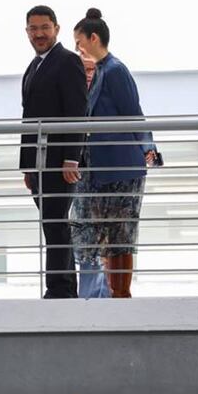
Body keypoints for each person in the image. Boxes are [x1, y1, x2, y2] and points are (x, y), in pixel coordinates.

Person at [72, 8, 157, 298]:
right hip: (103, 169)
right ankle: (112, 295)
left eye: (79, 41)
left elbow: (133, 113)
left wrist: (148, 147)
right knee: (107, 236)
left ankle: (121, 295)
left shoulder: (115, 70)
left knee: (120, 236)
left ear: (93, 38)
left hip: (121, 168)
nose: (77, 48)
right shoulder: (102, 70)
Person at [19, 5, 88, 299]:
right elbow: (29, 116)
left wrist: (72, 157)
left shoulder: (67, 61)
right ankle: (64, 286)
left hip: (60, 160)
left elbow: (77, 112)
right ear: (27, 32)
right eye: (33, 29)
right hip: (38, 162)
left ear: (56, 29)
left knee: (56, 222)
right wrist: (28, 166)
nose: (39, 34)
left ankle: (59, 290)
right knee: (52, 223)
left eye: (44, 27)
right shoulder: (35, 66)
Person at [69, 51, 111, 299]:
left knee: (107, 237)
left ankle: (105, 295)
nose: (87, 75)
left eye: (91, 69)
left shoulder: (105, 97)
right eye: (82, 70)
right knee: (84, 237)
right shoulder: (72, 96)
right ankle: (87, 295)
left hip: (104, 177)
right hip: (80, 177)